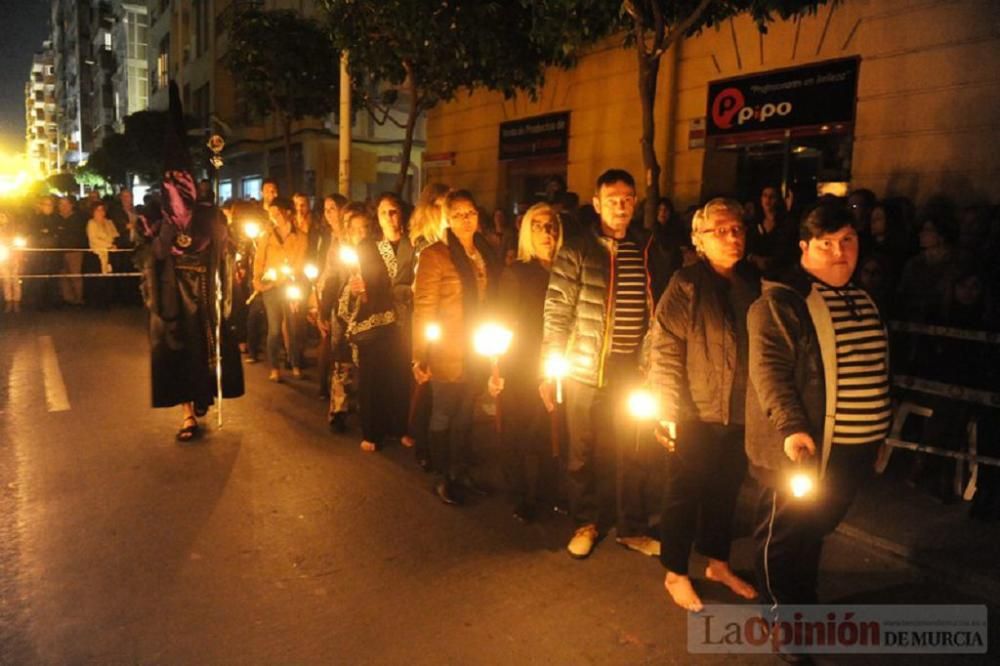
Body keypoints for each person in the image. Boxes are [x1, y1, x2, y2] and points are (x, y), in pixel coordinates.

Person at [746, 202, 891, 616]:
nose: (840, 251)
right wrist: (792, 429)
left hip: (854, 447)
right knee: (786, 533)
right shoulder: (784, 303)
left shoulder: (865, 299)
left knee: (816, 529)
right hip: (804, 448)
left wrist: (878, 430)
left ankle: (801, 600)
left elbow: (877, 368)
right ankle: (779, 612)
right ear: (804, 248)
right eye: (826, 244)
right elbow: (770, 373)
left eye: (847, 240)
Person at [542, 168, 661, 559]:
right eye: (612, 199)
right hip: (584, 368)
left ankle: (632, 527)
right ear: (597, 204)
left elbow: (654, 312)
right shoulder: (577, 249)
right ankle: (585, 522)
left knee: (634, 448)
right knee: (582, 451)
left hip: (632, 369)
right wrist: (549, 365)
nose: (621, 206)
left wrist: (652, 364)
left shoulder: (646, 248)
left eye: (627, 198)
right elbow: (557, 311)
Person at [649, 198, 760, 612]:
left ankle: (718, 562)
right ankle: (675, 571)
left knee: (725, 492)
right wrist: (667, 408)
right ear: (699, 240)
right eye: (721, 231)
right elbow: (664, 347)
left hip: (739, 411)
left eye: (738, 229)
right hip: (694, 411)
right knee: (684, 492)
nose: (732, 237)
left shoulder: (753, 281)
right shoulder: (686, 284)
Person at [137, 81, 244, 441]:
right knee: (178, 355)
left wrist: (222, 237)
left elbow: (225, 252)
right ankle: (187, 416)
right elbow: (152, 257)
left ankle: (201, 398)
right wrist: (163, 237)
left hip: (204, 290)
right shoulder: (156, 219)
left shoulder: (212, 215)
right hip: (174, 296)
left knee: (205, 355)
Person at [412, 189, 501, 505]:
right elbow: (423, 306)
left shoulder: (485, 251)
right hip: (448, 348)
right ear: (447, 219)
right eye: (459, 214)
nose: (466, 220)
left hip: (476, 346)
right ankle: (443, 475)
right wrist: (419, 354)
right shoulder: (436, 255)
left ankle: (461, 470)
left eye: (471, 213)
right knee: (444, 412)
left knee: (466, 412)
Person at [491, 203, 564, 523]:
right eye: (538, 226)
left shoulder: (567, 270)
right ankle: (519, 494)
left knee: (553, 433)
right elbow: (504, 323)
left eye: (551, 226)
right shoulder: (518, 273)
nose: (546, 233)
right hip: (521, 365)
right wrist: (497, 370)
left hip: (559, 364)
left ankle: (549, 492)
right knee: (518, 433)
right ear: (526, 232)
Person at [337, 201, 410, 452]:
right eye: (383, 213)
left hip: (403, 321)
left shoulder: (409, 244)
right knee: (372, 379)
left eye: (394, 212)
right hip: (372, 324)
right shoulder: (363, 249)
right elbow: (349, 285)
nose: (389, 217)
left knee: (399, 376)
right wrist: (356, 289)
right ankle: (372, 430)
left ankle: (398, 425)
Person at [405, 183, 450, 468]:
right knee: (427, 380)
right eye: (447, 206)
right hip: (430, 317)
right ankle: (422, 441)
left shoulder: (452, 241)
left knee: (442, 384)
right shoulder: (425, 244)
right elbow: (415, 288)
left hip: (449, 320)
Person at [253, 196, 308, 382]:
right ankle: (274, 367)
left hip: (290, 286)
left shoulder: (301, 237)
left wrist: (287, 276)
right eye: (272, 213)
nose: (274, 216)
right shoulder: (267, 235)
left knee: (292, 325)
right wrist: (258, 280)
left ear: (288, 212)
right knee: (274, 328)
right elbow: (259, 260)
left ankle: (295, 363)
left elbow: (299, 264)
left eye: (277, 212)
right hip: (271, 287)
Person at [316, 193, 348, 403]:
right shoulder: (327, 237)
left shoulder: (347, 238)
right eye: (326, 209)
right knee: (327, 339)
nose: (329, 214)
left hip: (341, 295)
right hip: (325, 291)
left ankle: (337, 392)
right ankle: (325, 388)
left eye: (333, 208)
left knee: (339, 345)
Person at [746, 185, 797, 279]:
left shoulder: (786, 224)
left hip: (780, 274)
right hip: (754, 274)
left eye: (772, 196)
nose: (768, 199)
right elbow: (747, 248)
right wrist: (755, 259)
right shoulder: (754, 222)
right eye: (765, 195)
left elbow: (789, 250)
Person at [86, 201, 120, 308]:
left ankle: (109, 300)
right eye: (97, 210)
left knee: (109, 278)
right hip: (97, 255)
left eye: (102, 210)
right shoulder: (91, 223)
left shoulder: (109, 222)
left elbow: (115, 235)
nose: (100, 212)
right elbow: (93, 239)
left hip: (110, 254)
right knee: (98, 280)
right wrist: (108, 245)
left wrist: (113, 244)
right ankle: (98, 302)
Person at [56, 196, 87, 306]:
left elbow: (79, 235)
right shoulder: (57, 218)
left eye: (65, 204)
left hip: (74, 250)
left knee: (75, 275)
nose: (63, 207)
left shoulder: (77, 219)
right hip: (60, 251)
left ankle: (78, 298)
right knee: (63, 276)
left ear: (71, 205)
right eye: (61, 204)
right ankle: (67, 298)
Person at [0, 209, 23, 313]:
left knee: (15, 279)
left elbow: (19, 243)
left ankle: (16, 302)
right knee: (6, 280)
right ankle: (8, 301)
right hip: (2, 257)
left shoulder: (14, 230)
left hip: (14, 256)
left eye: (3, 216)